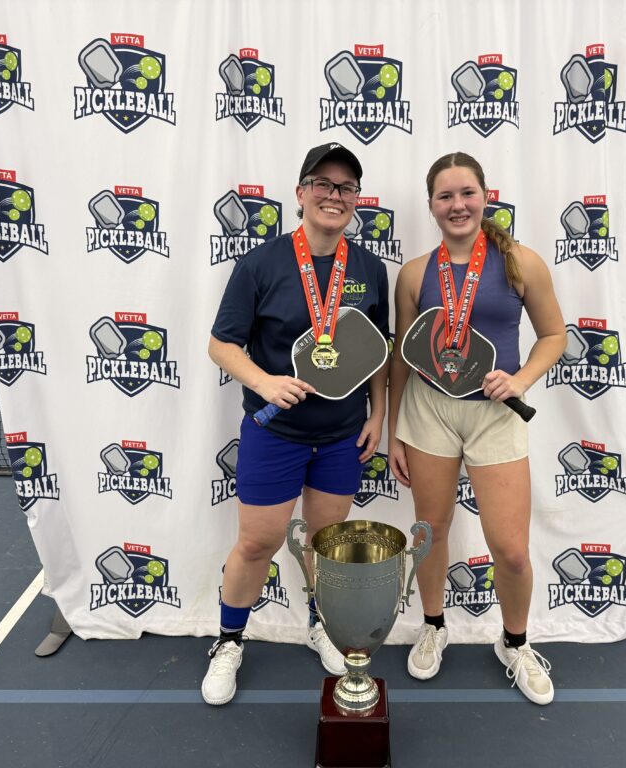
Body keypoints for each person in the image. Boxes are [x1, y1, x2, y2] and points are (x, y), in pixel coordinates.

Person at [204, 143, 389, 706]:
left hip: (339, 436)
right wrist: (264, 382)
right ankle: (229, 640)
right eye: (323, 184)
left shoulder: (369, 268)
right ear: (301, 193)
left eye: (346, 188)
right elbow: (221, 344)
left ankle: (319, 623)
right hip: (274, 434)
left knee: (325, 546)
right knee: (258, 543)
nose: (334, 196)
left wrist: (378, 414)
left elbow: (377, 352)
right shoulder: (261, 263)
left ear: (356, 200)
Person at [387, 151, 566, 705]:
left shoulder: (520, 262)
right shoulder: (415, 272)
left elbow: (553, 336)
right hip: (429, 412)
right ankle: (434, 625)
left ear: (485, 196)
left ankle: (515, 642)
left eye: (466, 193)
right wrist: (394, 428)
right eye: (445, 196)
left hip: (495, 416)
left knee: (510, 550)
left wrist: (520, 380)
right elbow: (401, 354)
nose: (457, 204)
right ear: (432, 206)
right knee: (431, 532)